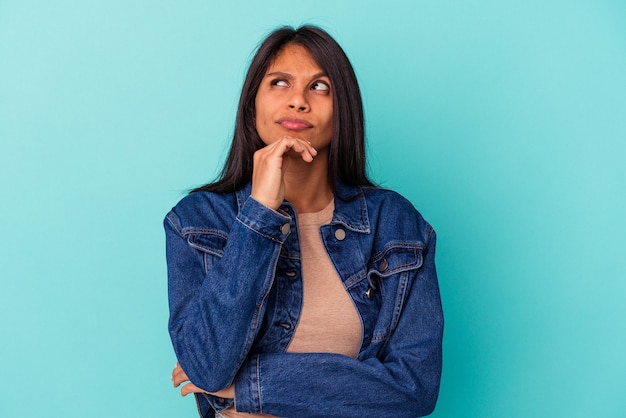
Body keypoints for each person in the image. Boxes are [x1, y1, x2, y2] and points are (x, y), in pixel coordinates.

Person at [165, 25, 443, 418]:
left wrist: (250, 384)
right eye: (279, 83)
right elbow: (207, 366)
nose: (298, 101)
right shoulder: (198, 221)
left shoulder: (396, 225)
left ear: (343, 109)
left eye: (320, 87)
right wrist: (259, 212)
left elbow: (414, 388)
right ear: (252, 105)